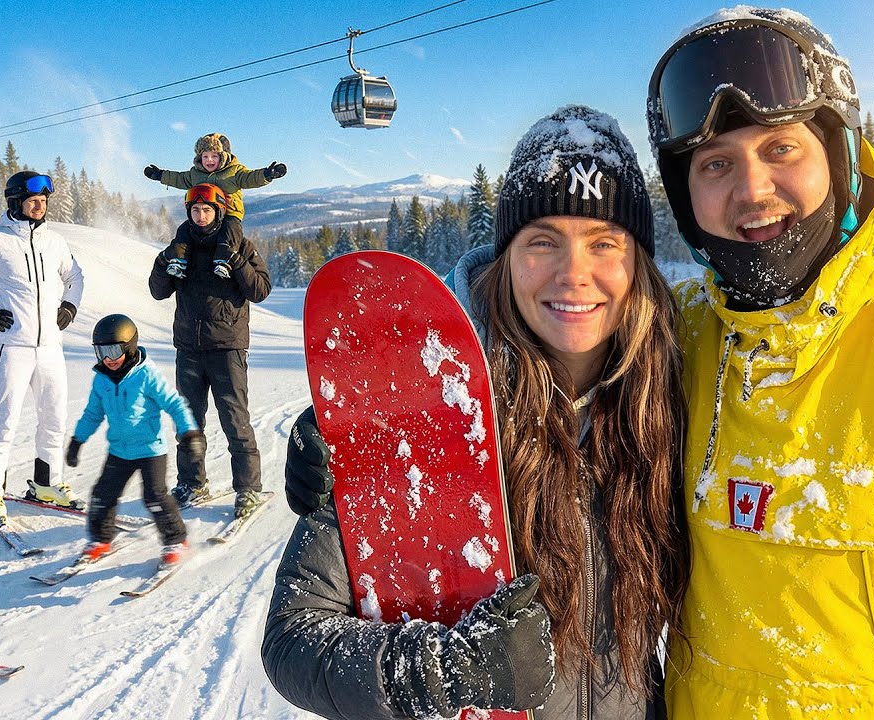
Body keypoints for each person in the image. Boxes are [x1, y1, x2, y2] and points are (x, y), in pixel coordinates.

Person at [266, 105, 690, 719]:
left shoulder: (668, 398)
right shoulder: (431, 412)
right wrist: (444, 671)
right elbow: (295, 639)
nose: (574, 273)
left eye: (604, 243)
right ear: (505, 258)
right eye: (543, 241)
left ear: (638, 265)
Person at [645, 7, 874, 717]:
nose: (751, 191)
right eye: (717, 164)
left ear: (838, 156)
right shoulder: (680, 340)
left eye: (781, 149)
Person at [0, 170, 85, 527]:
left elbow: (75, 277)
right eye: (33, 201)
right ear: (15, 202)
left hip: (50, 347)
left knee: (54, 418)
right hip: (11, 348)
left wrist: (68, 307)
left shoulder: (54, 242)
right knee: (3, 423)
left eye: (43, 201)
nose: (40, 206)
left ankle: (46, 484)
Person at [149, 183, 273, 520]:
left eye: (207, 210)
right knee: (188, 421)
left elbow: (260, 289)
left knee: (235, 421)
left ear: (219, 211)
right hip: (189, 347)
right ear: (189, 212)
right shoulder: (182, 247)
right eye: (195, 210)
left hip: (227, 348)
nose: (201, 216)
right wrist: (163, 261)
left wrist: (236, 262)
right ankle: (192, 483)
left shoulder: (238, 246)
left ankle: (248, 489)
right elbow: (158, 291)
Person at [65, 314, 206, 564]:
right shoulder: (102, 380)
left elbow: (174, 404)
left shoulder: (146, 376)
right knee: (102, 494)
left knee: (155, 497)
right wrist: (78, 439)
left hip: (151, 450)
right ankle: (100, 538)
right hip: (120, 450)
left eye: (113, 350)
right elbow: (92, 413)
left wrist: (190, 433)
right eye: (101, 352)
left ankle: (176, 540)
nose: (107, 359)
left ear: (129, 347)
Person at [143, 132, 287, 279]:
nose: (209, 160)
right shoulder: (196, 173)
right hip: (204, 215)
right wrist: (160, 175)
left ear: (223, 156)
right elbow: (179, 179)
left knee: (231, 231)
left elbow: (250, 178)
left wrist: (267, 174)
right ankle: (179, 260)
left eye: (214, 156)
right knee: (184, 229)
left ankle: (224, 261)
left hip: (230, 213)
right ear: (200, 157)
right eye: (205, 156)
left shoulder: (234, 172)